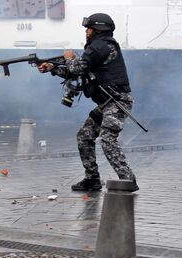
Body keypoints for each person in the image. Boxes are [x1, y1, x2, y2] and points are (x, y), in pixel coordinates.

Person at [37, 13, 138, 192]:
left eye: (89, 28)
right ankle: (92, 179)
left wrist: (68, 57)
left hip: (117, 101)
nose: (86, 32)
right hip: (107, 103)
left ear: (98, 29)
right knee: (84, 136)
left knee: (108, 139)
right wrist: (52, 68)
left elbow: (76, 67)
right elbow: (78, 72)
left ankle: (128, 179)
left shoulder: (102, 47)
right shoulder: (97, 47)